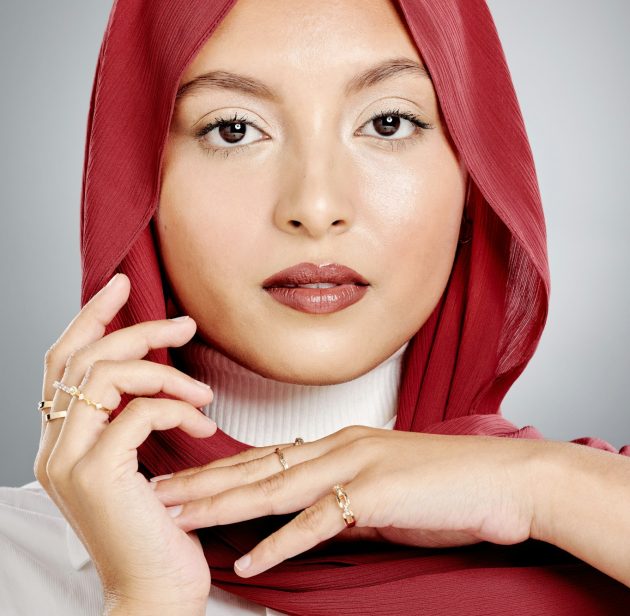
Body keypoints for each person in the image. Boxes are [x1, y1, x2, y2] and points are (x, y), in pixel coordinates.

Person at [1, 0, 629, 614]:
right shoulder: (14, 565)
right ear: (139, 183)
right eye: (233, 129)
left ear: (474, 177)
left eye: (388, 123)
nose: (317, 204)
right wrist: (146, 601)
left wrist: (544, 488)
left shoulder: (595, 527)